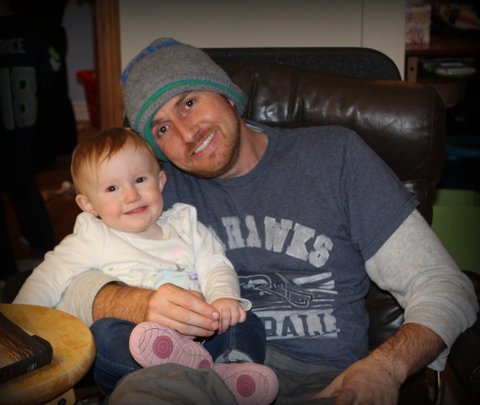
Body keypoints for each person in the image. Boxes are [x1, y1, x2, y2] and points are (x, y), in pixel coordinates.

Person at [32, 38, 478, 404]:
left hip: (325, 383)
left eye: (189, 103)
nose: (186, 134)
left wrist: (386, 366)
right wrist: (135, 303)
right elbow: (63, 285)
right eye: (162, 129)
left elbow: (443, 284)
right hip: (199, 376)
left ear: (226, 94)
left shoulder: (333, 158)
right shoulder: (152, 190)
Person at [13, 128, 279, 405]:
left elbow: (215, 264)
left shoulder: (185, 224)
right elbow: (49, 276)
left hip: (203, 333)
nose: (131, 196)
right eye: (112, 188)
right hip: (139, 350)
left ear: (160, 181)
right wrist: (17, 324)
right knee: (103, 333)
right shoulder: (93, 236)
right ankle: (181, 364)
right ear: (88, 204)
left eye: (140, 180)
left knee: (244, 318)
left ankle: (232, 367)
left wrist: (223, 298)